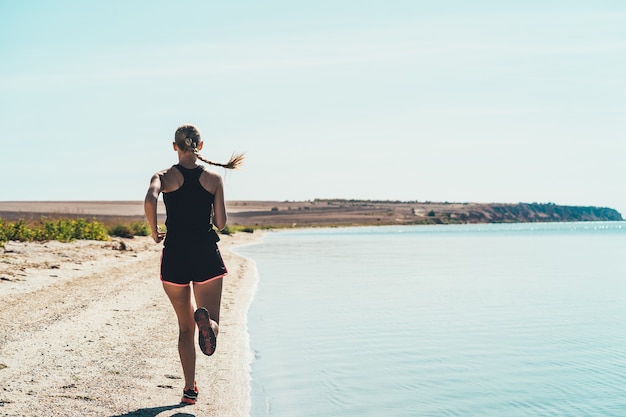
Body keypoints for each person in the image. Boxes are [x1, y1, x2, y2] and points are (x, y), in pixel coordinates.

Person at [144, 124, 244, 405]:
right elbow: (221, 224)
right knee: (212, 321)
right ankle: (209, 323)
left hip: (175, 254)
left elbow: (150, 199)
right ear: (200, 146)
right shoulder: (213, 179)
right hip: (205, 255)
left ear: (174, 146)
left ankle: (189, 389)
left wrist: (154, 231)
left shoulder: (163, 176)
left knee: (184, 327)